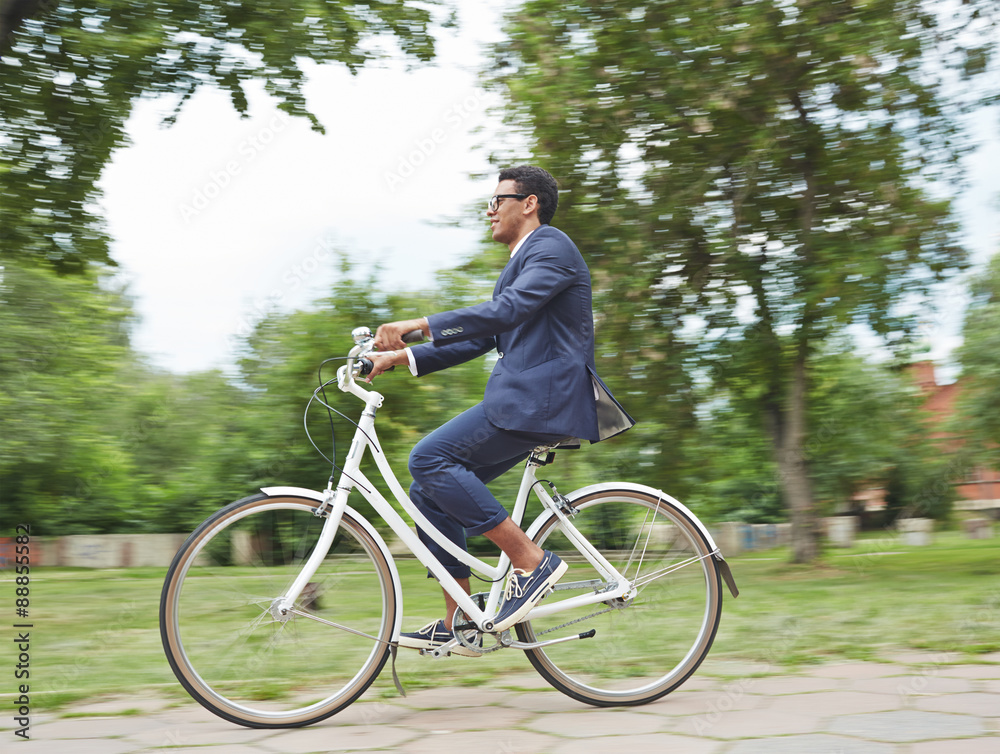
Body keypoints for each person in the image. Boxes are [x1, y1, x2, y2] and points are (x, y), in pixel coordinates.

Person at [367, 165, 633, 655]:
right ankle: (459, 623)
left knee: (429, 458)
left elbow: (504, 313)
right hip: (526, 400)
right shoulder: (522, 262)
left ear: (528, 203)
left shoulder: (551, 247)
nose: (489, 212)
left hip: (541, 400)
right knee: (428, 489)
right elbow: (488, 335)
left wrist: (418, 323)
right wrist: (399, 356)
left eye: (497, 201)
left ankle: (532, 562)